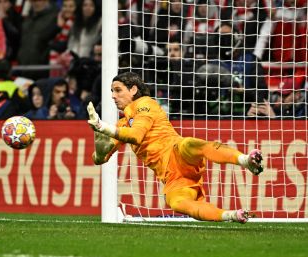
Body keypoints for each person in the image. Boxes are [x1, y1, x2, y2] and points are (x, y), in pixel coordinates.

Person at [86, 72, 264, 223]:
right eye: (111, 91)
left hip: (176, 151)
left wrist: (103, 127)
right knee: (177, 202)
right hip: (172, 177)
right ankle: (231, 215)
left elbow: (136, 135)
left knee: (189, 144)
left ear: (133, 90)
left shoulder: (144, 104)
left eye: (117, 90)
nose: (113, 96)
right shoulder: (122, 124)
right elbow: (99, 159)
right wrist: (100, 147)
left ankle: (245, 160)